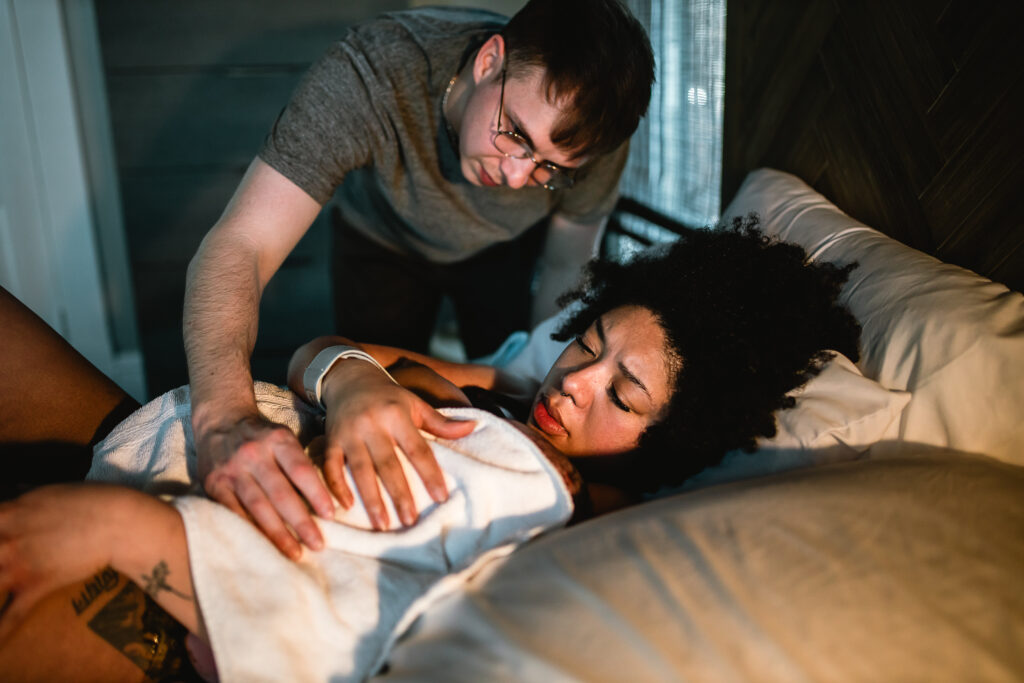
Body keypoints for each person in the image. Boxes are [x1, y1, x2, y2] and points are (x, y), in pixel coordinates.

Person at [0, 220, 860, 681]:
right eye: (588, 343)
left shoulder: (582, 512)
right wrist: (351, 383)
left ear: (678, 435)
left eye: (622, 395)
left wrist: (132, 531)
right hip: (171, 435)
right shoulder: (503, 393)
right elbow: (312, 353)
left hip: (190, 584)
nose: (573, 382)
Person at [185, 0, 657, 548]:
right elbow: (243, 243)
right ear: (489, 62)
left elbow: (563, 262)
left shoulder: (594, 136)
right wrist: (223, 418)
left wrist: (545, 377)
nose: (514, 175)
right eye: (515, 133)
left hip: (500, 252)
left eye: (548, 168)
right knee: (364, 398)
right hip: (381, 240)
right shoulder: (373, 74)